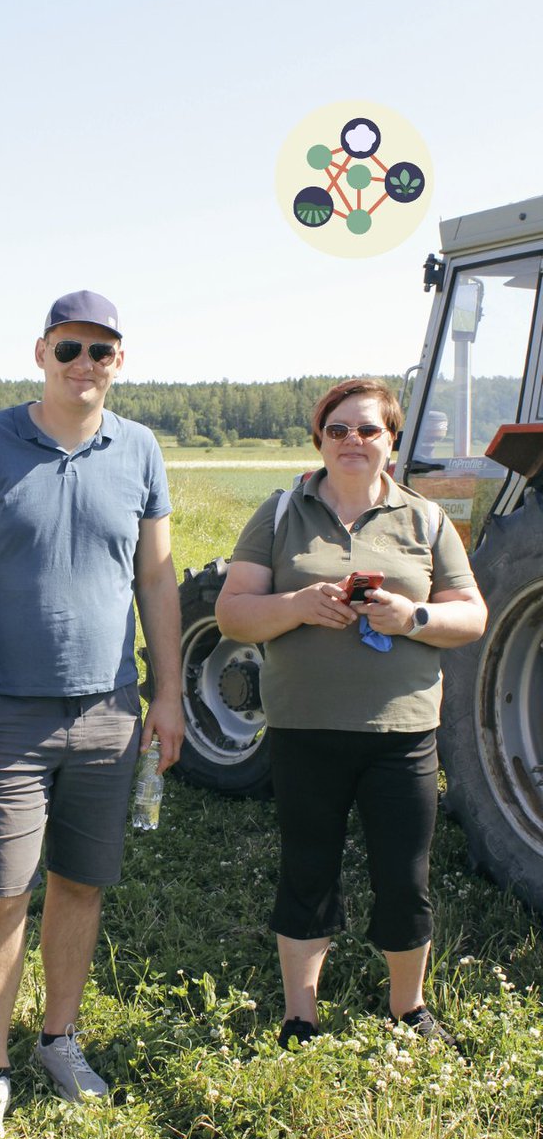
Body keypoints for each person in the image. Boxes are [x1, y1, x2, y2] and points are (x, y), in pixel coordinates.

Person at [0, 290, 184, 1135]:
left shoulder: (139, 449)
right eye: (69, 349)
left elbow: (156, 580)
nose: (84, 365)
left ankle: (59, 1038)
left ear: (120, 361)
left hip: (111, 712)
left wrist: (170, 693)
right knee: (1, 895)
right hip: (7, 716)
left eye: (100, 351)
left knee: (82, 884)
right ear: (41, 352)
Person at [215, 378, 486, 1050]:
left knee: (405, 874)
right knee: (308, 867)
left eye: (368, 430)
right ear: (320, 440)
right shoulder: (281, 514)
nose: (353, 441)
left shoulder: (423, 520)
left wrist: (412, 616)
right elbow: (233, 612)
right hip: (304, 728)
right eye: (338, 429)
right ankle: (299, 1014)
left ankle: (408, 1007)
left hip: (402, 732)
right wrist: (299, 606)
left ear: (391, 443)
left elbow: (472, 615)